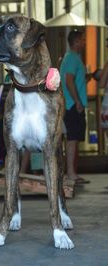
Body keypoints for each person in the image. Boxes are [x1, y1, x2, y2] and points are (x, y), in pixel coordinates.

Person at [60, 29, 91, 185]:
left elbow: (73, 81)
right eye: (83, 40)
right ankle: (71, 173)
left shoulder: (72, 58)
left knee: (74, 138)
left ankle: (72, 172)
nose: (85, 42)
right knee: (72, 139)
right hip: (72, 105)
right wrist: (77, 101)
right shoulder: (72, 58)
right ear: (77, 41)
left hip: (71, 103)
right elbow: (69, 81)